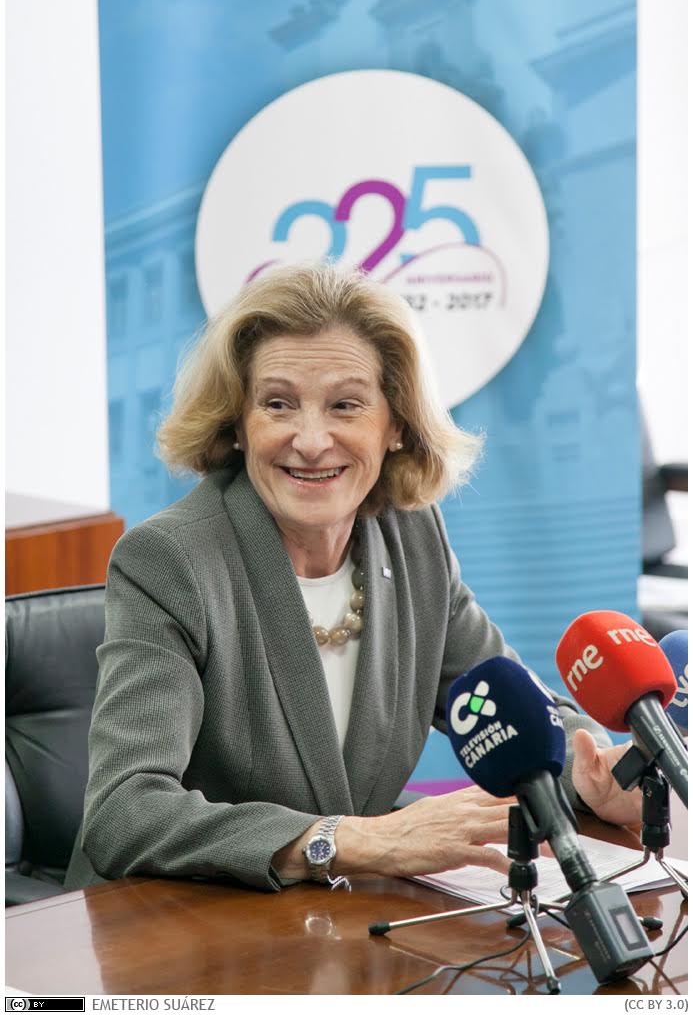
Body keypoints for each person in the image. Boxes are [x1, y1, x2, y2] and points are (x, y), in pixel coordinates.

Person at [66, 263, 639, 893]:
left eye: (346, 405)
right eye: (278, 404)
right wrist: (346, 840)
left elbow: (509, 706)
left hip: (335, 922)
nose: (312, 441)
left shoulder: (413, 536)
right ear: (237, 423)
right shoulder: (170, 559)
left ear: (396, 426)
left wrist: (591, 771)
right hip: (175, 922)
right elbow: (124, 811)